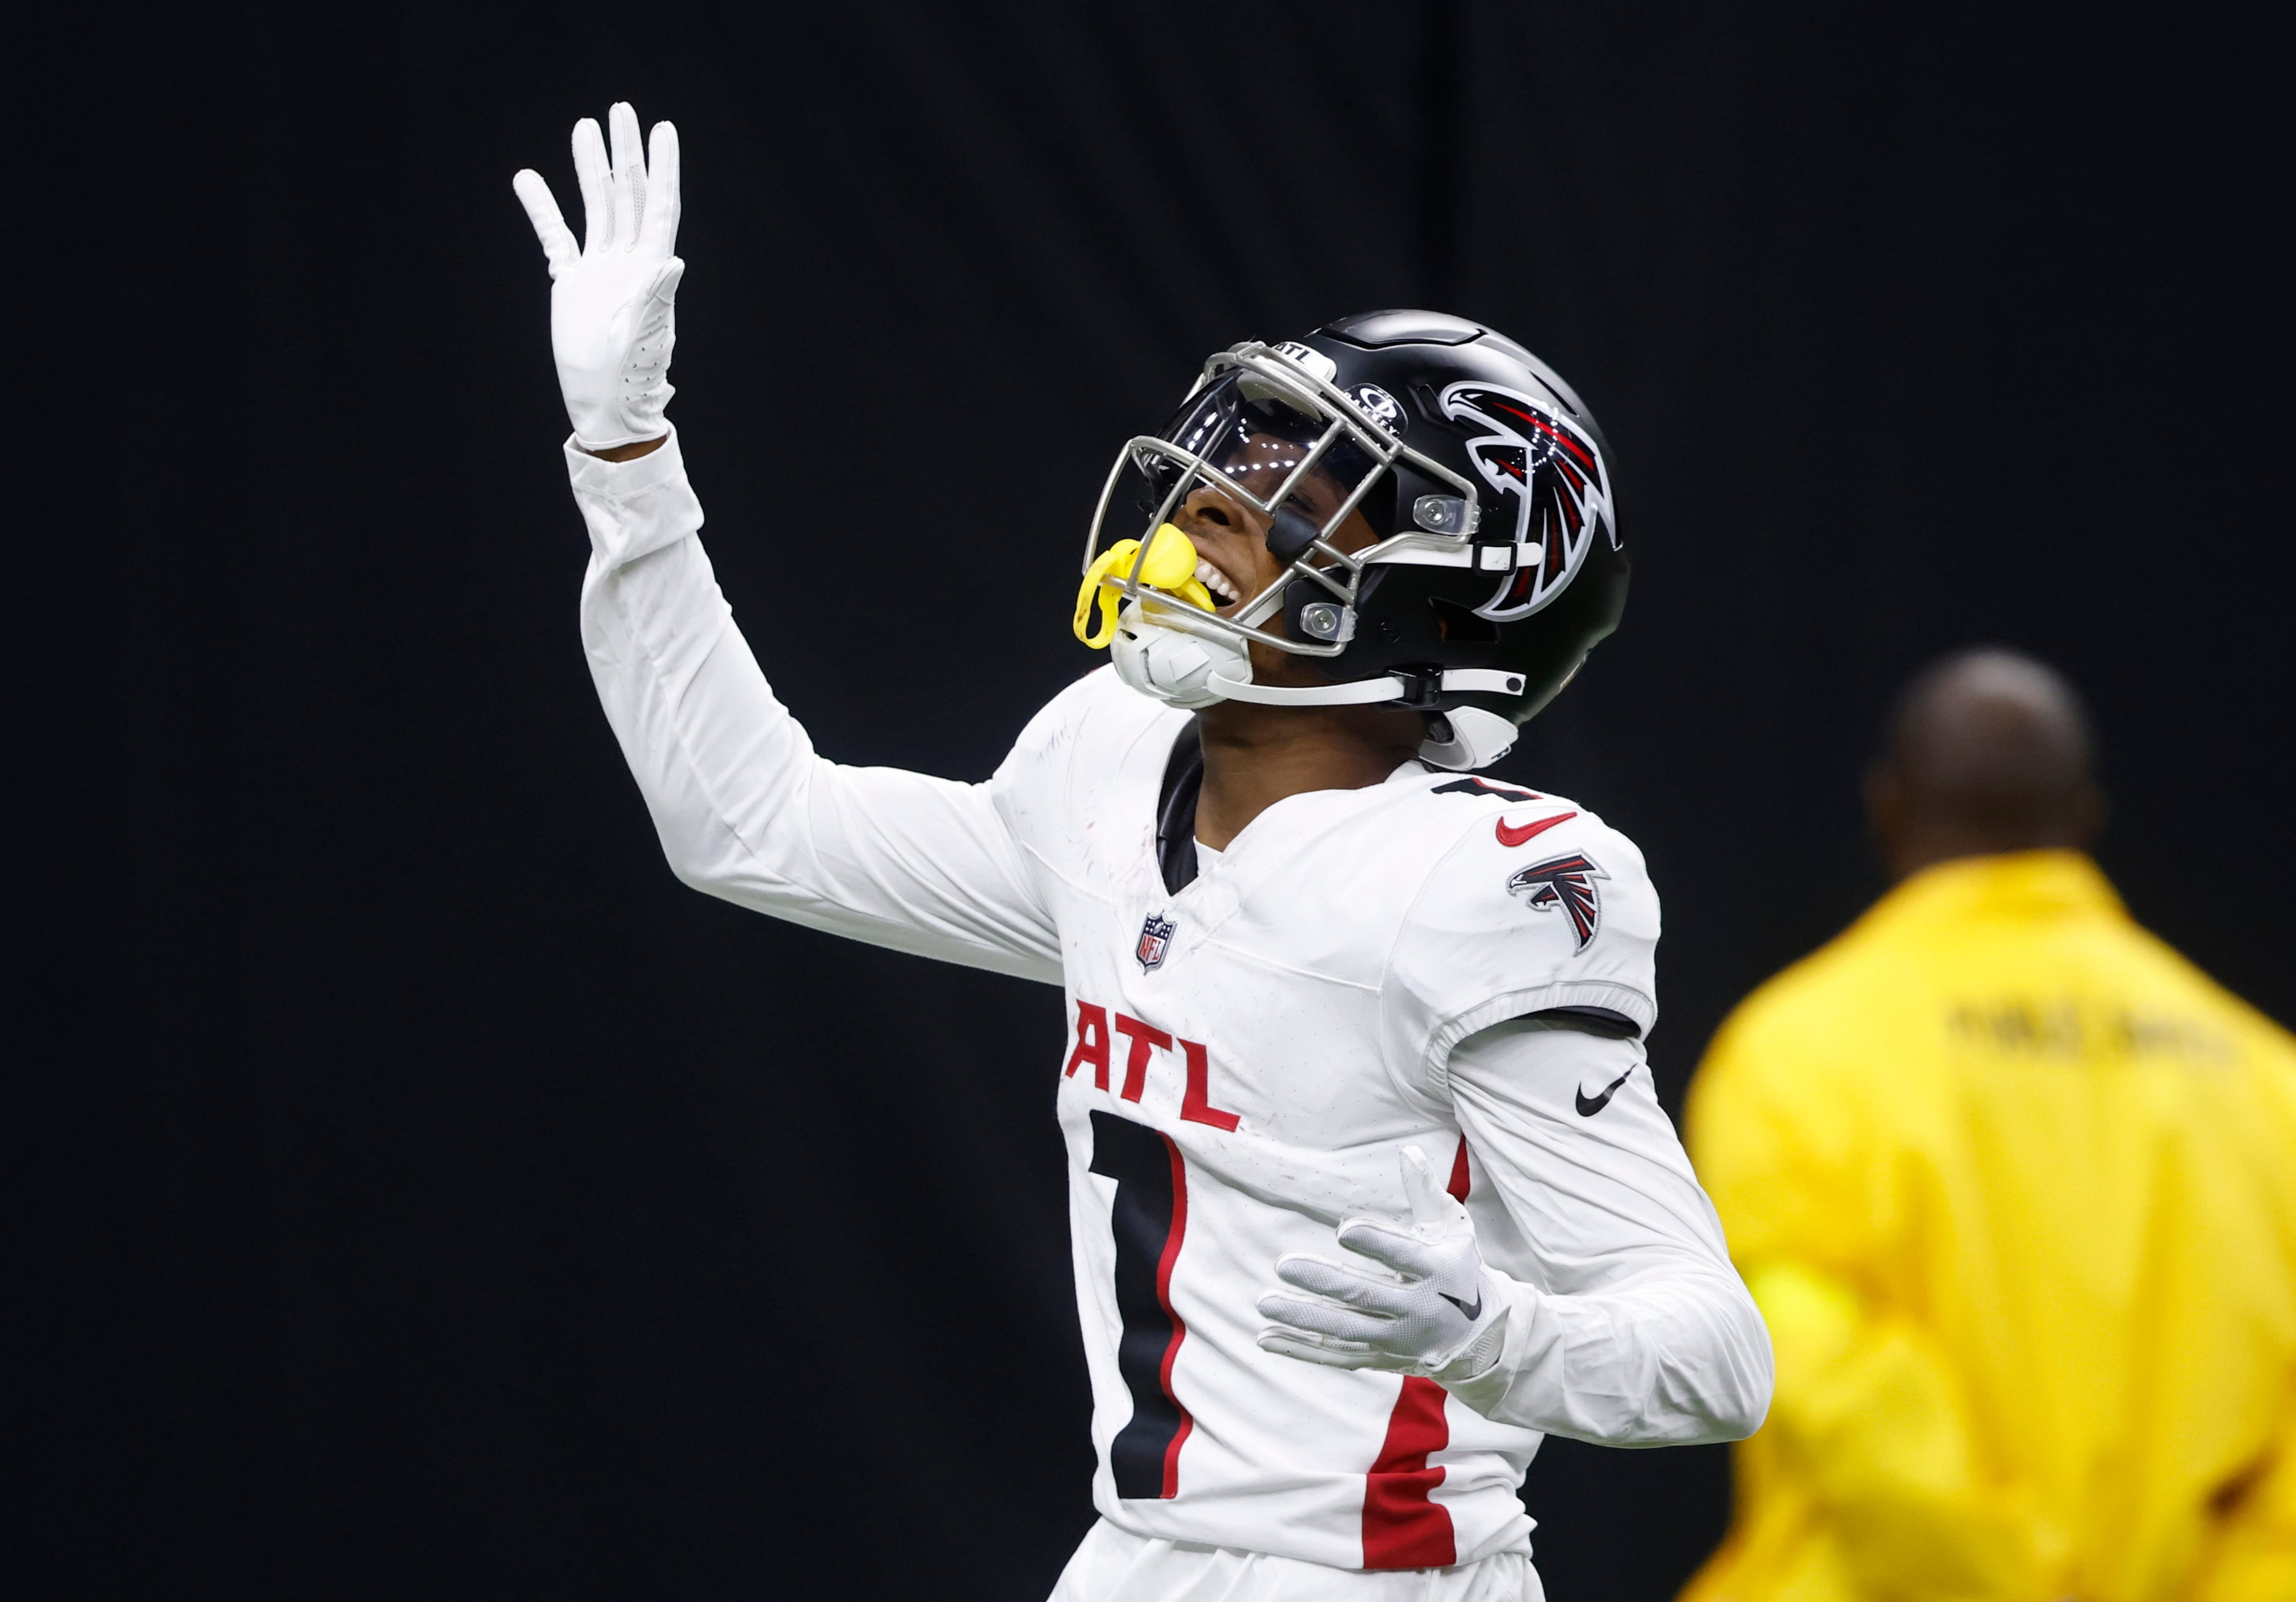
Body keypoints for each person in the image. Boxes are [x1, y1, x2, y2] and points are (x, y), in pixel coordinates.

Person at [513, 104, 1771, 1600]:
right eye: (1228, 461)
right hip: (1138, 1558)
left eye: (1297, 501)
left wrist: (1492, 1332)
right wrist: (626, 452)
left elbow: (1714, 1354)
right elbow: (752, 822)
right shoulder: (1110, 761)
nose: (1209, 509)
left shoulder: (1471, 888)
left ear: (1448, 601)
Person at [1680, 649, 2296, 1602]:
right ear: (2085, 818)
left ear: (1888, 810)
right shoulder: (2265, 1077)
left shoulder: (1792, 1055)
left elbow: (1821, 1372)